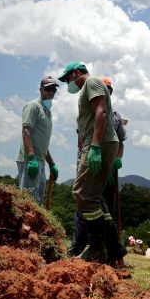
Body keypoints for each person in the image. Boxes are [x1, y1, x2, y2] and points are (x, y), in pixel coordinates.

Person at [58, 61, 120, 264]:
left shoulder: (91, 83)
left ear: (76, 72)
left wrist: (94, 147)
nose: (69, 83)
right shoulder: (87, 87)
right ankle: (113, 248)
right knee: (95, 198)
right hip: (101, 143)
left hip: (98, 144)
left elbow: (100, 111)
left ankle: (95, 248)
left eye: (68, 78)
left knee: (81, 193)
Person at [69, 76, 129, 268]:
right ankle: (110, 248)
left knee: (86, 197)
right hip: (91, 155)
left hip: (100, 153)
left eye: (109, 89)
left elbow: (119, 141)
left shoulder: (114, 115)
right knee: (92, 203)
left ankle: (99, 248)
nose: (107, 91)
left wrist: (114, 161)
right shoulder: (88, 110)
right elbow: (81, 137)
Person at [16, 76, 60, 205]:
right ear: (41, 89)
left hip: (40, 161)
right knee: (29, 202)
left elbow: (42, 142)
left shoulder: (47, 112)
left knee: (38, 201)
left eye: (54, 90)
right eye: (48, 89)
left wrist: (51, 163)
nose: (51, 92)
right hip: (29, 161)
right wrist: (31, 157)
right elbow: (26, 131)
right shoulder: (33, 106)